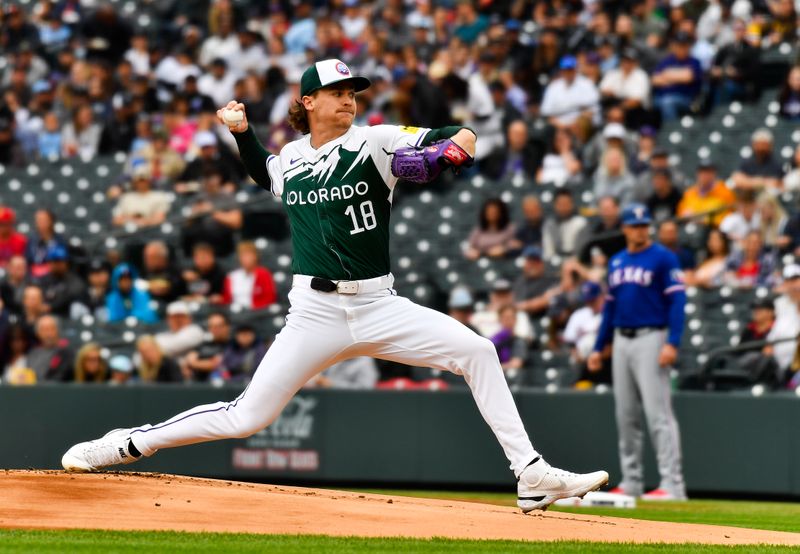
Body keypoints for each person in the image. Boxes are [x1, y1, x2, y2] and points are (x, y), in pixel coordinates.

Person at [63, 59, 607, 511]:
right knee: (247, 416)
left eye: (352, 92)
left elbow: (455, 134)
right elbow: (265, 173)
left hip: (378, 303)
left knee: (479, 350)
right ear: (307, 103)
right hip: (314, 313)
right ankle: (127, 443)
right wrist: (242, 133)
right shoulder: (294, 158)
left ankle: (531, 474)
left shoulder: (375, 141)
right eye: (336, 92)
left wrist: (455, 148)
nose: (348, 100)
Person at [588, 203, 687, 501]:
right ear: (625, 228)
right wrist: (597, 346)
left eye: (644, 225)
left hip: (651, 337)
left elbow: (678, 302)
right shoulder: (616, 262)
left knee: (659, 414)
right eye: (635, 225)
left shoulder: (664, 258)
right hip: (621, 339)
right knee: (626, 414)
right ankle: (631, 480)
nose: (640, 229)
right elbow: (610, 308)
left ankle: (672, 484)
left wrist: (673, 341)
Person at [564, 282, 609, 387]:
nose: (590, 303)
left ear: (602, 296)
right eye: (588, 301)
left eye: (593, 300)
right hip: (582, 364)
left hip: (605, 361)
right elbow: (570, 342)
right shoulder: (579, 315)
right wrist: (577, 355)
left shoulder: (609, 314)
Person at [677, 161, 736, 227]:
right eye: (702, 172)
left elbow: (729, 217)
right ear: (697, 174)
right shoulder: (690, 193)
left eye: (708, 172)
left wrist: (704, 220)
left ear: (714, 174)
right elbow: (681, 214)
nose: (705, 175)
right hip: (691, 228)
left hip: (713, 230)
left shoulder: (724, 192)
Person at [220, 242, 277, 310]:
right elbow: (226, 299)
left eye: (249, 255)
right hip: (235, 312)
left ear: (256, 256)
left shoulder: (264, 274)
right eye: (243, 256)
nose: (246, 259)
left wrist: (253, 308)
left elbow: (269, 298)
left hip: (257, 312)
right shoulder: (231, 276)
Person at [182, 312, 231, 382]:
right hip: (197, 383)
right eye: (212, 326)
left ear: (227, 326)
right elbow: (188, 360)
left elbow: (216, 364)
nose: (216, 329)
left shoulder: (232, 345)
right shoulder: (204, 344)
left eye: (219, 326)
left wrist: (194, 363)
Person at [731, 129, 784, 193]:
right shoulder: (747, 162)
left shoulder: (777, 164)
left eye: (764, 145)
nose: (761, 148)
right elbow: (737, 179)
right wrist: (761, 182)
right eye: (758, 144)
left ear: (770, 146)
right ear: (753, 145)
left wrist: (750, 182)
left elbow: (778, 184)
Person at [542, 190, 588, 260]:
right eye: (560, 204)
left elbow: (581, 251)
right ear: (554, 205)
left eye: (566, 204)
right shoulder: (549, 224)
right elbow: (548, 251)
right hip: (554, 261)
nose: (563, 207)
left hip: (575, 261)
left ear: (572, 204)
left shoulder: (580, 223)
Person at [28, 315, 73, 382]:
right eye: (44, 330)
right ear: (37, 333)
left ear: (58, 330)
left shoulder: (67, 351)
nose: (49, 334)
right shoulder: (33, 353)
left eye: (52, 329)